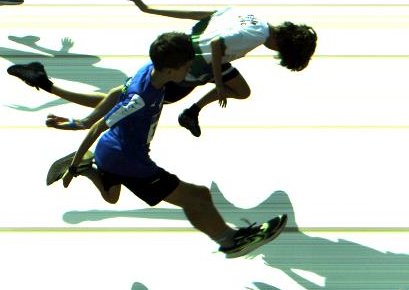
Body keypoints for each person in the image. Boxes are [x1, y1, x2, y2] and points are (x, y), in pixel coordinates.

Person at [45, 31, 286, 258]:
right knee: (198, 196)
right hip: (128, 161)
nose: (189, 70)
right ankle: (231, 241)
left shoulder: (148, 70)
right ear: (170, 70)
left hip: (109, 152)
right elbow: (99, 128)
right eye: (186, 67)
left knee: (112, 196)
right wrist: (73, 164)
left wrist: (81, 121)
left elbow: (116, 92)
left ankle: (89, 169)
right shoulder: (140, 99)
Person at [10, 0, 316, 136]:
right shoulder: (257, 34)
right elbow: (217, 46)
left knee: (241, 90)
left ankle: (191, 112)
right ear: (285, 47)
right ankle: (48, 86)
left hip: (185, 49)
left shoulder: (248, 15)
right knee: (130, 98)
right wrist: (219, 85)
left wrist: (151, 9)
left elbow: (204, 16)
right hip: (191, 66)